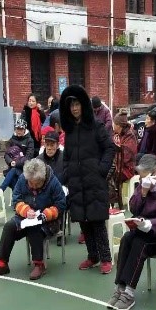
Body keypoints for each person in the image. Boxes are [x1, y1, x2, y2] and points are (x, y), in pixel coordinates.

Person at [107, 154, 156, 310]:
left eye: (144, 175)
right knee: (127, 238)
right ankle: (120, 286)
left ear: (155, 171)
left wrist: (151, 224)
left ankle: (129, 292)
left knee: (139, 243)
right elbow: (134, 208)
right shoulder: (144, 184)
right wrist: (143, 192)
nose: (142, 179)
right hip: (146, 231)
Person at [60, 85, 115, 273]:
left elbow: (109, 148)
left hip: (94, 181)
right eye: (71, 105)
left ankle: (106, 258)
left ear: (83, 105)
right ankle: (93, 256)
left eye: (77, 104)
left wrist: (101, 169)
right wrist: (67, 173)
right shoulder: (69, 131)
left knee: (97, 221)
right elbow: (66, 156)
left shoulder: (96, 126)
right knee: (84, 221)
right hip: (76, 182)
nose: (74, 108)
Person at [0, 159, 66, 281]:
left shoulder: (53, 182)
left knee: (35, 228)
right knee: (9, 227)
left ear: (43, 179)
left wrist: (46, 214)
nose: (33, 187)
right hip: (25, 217)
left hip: (49, 221)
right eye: (30, 183)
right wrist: (25, 210)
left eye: (37, 184)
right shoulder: (23, 179)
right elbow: (16, 199)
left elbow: (61, 204)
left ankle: (39, 264)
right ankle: (2, 264)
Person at [108, 112, 138, 208]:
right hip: (115, 166)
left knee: (106, 175)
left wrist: (112, 157)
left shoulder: (130, 136)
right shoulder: (116, 135)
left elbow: (125, 157)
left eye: (114, 123)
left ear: (119, 125)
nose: (113, 125)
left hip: (126, 169)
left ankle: (112, 198)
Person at [0, 118, 35, 193]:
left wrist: (16, 163)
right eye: (17, 129)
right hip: (12, 167)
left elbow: (28, 157)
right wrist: (10, 162)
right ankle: (15, 196)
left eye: (21, 129)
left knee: (13, 171)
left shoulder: (29, 141)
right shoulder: (12, 139)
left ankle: (1, 189)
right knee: (13, 178)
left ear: (24, 130)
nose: (19, 131)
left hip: (25, 169)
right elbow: (6, 154)